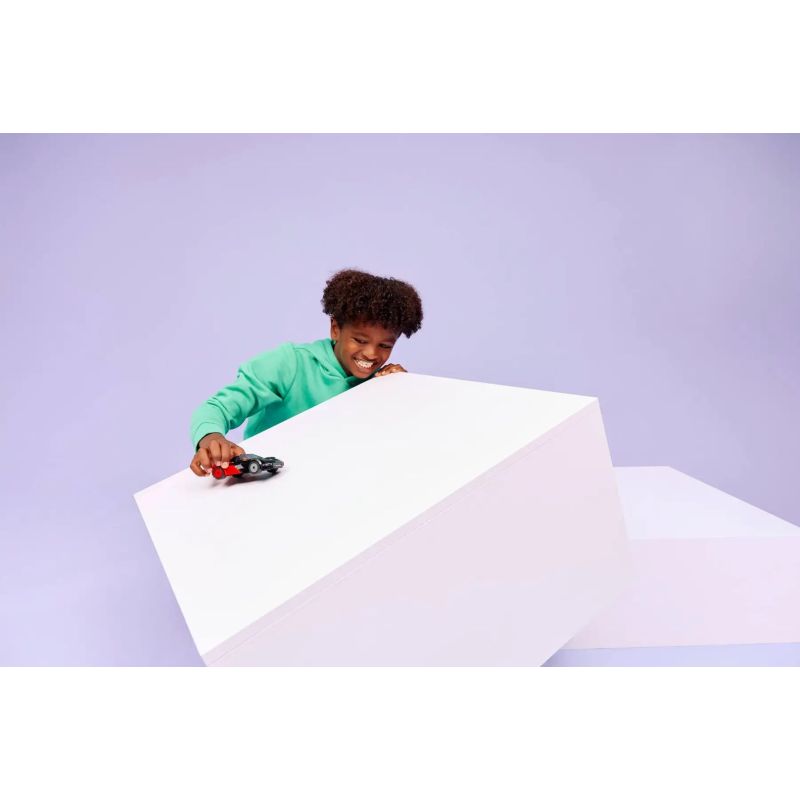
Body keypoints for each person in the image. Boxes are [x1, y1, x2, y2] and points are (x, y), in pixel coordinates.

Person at [189, 268, 424, 477]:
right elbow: (217, 408)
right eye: (360, 340)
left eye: (385, 345)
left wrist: (397, 392)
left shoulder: (379, 381)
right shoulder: (291, 363)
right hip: (267, 482)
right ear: (335, 329)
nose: (372, 354)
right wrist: (211, 438)